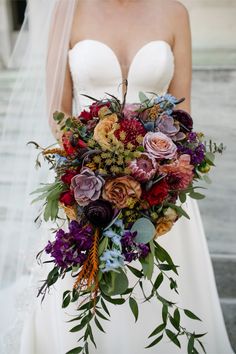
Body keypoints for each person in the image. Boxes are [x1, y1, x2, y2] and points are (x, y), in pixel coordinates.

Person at [0, 1, 234, 353]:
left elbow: (184, 111)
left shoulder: (174, 13)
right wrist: (96, 170)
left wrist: (155, 171)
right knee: (85, 297)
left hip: (161, 188)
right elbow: (57, 112)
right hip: (86, 186)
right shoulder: (67, 12)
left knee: (165, 291)